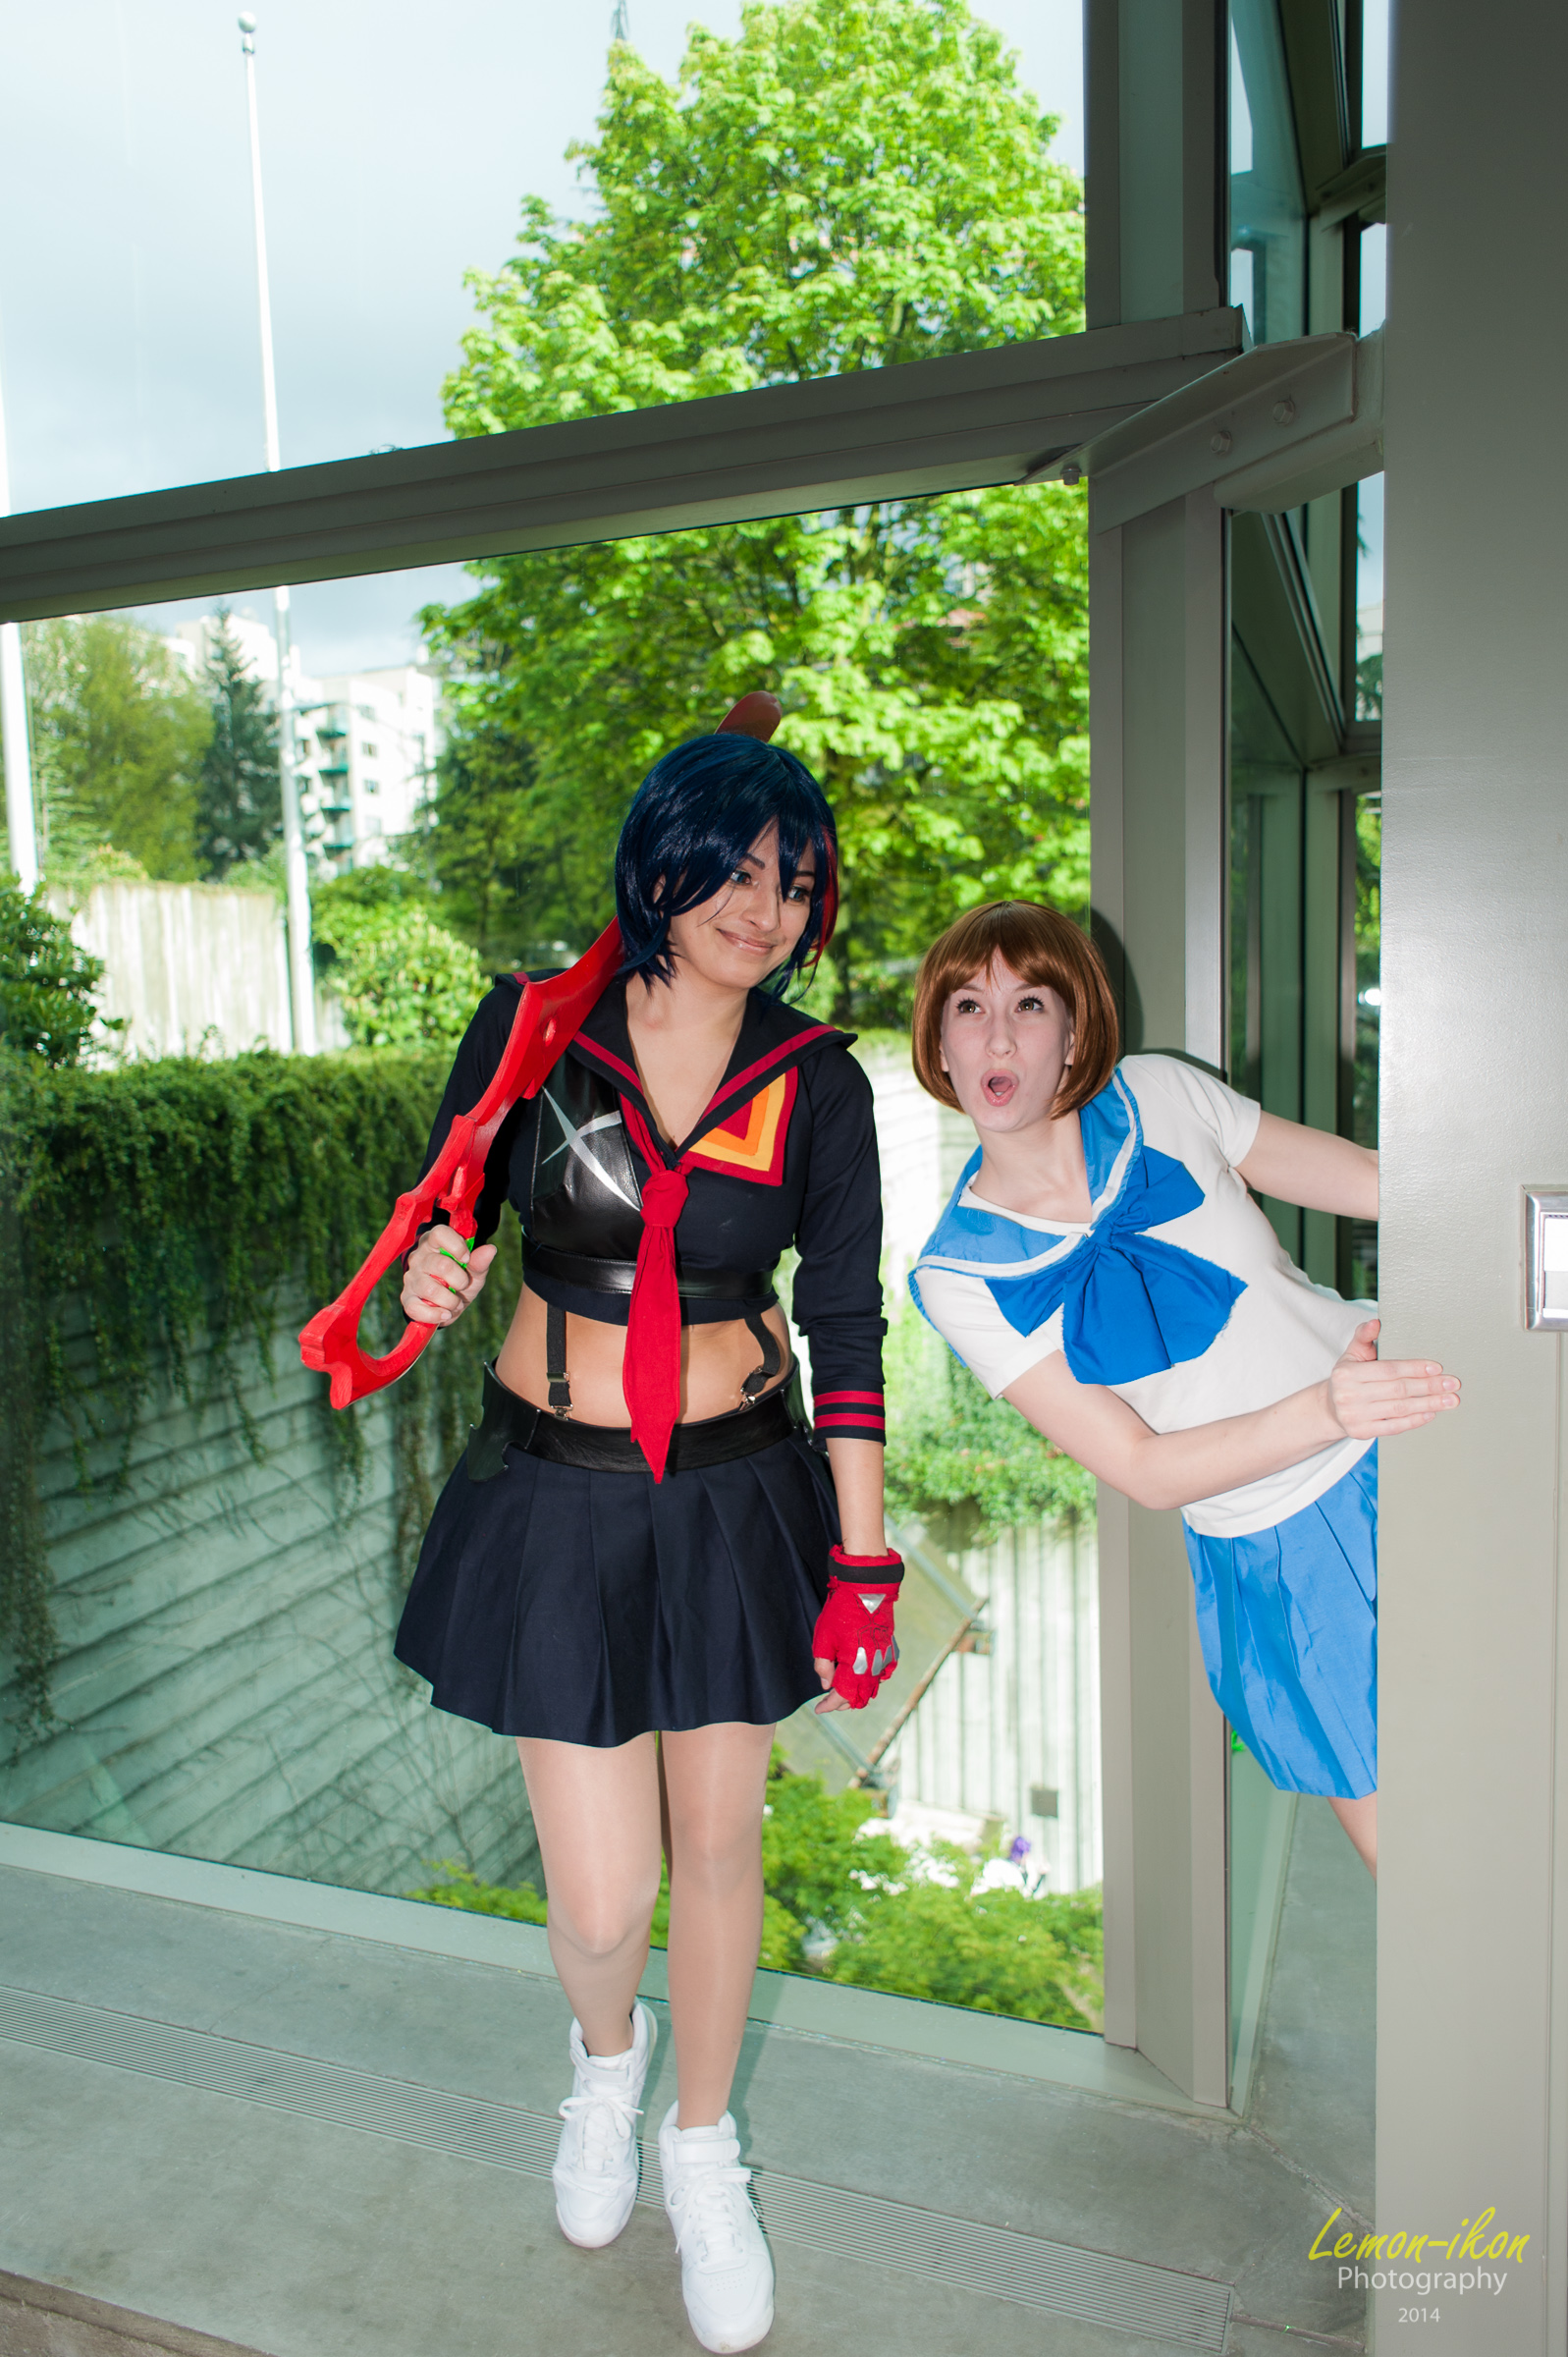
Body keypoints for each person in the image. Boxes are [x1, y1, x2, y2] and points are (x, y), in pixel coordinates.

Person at [393, 731, 896, 2355]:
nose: (767, 907)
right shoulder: (537, 1029)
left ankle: (702, 2149)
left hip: (740, 1496)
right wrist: (430, 1270)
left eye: (794, 881)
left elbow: (845, 1326)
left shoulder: (815, 1082)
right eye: (737, 870)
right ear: (660, 864)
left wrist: (863, 1562)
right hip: (553, 1492)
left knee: (720, 1849)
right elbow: (442, 1208)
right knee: (605, 1902)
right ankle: (602, 2077)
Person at [907, 901, 1461, 1881]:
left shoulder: (1159, 1094)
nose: (996, 1035)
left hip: (1411, 1421)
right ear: (938, 1045)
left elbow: (1385, 1185)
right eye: (968, 1006)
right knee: (1427, 1871)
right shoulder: (960, 1275)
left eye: (1028, 1004)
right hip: (1281, 1546)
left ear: (1073, 1030)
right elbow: (1142, 1469)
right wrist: (1325, 1410)